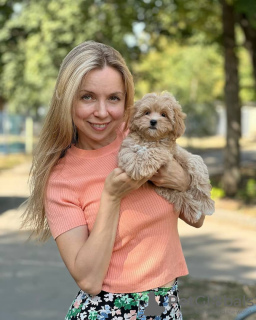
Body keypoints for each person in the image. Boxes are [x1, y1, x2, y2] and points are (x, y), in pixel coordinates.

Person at [22, 40, 208, 320]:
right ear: (67, 98)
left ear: (126, 101)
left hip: (163, 305)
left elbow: (198, 218)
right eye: (87, 97)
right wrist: (111, 196)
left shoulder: (142, 133)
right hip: (109, 310)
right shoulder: (61, 179)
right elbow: (88, 280)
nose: (102, 112)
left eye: (113, 98)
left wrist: (181, 180)